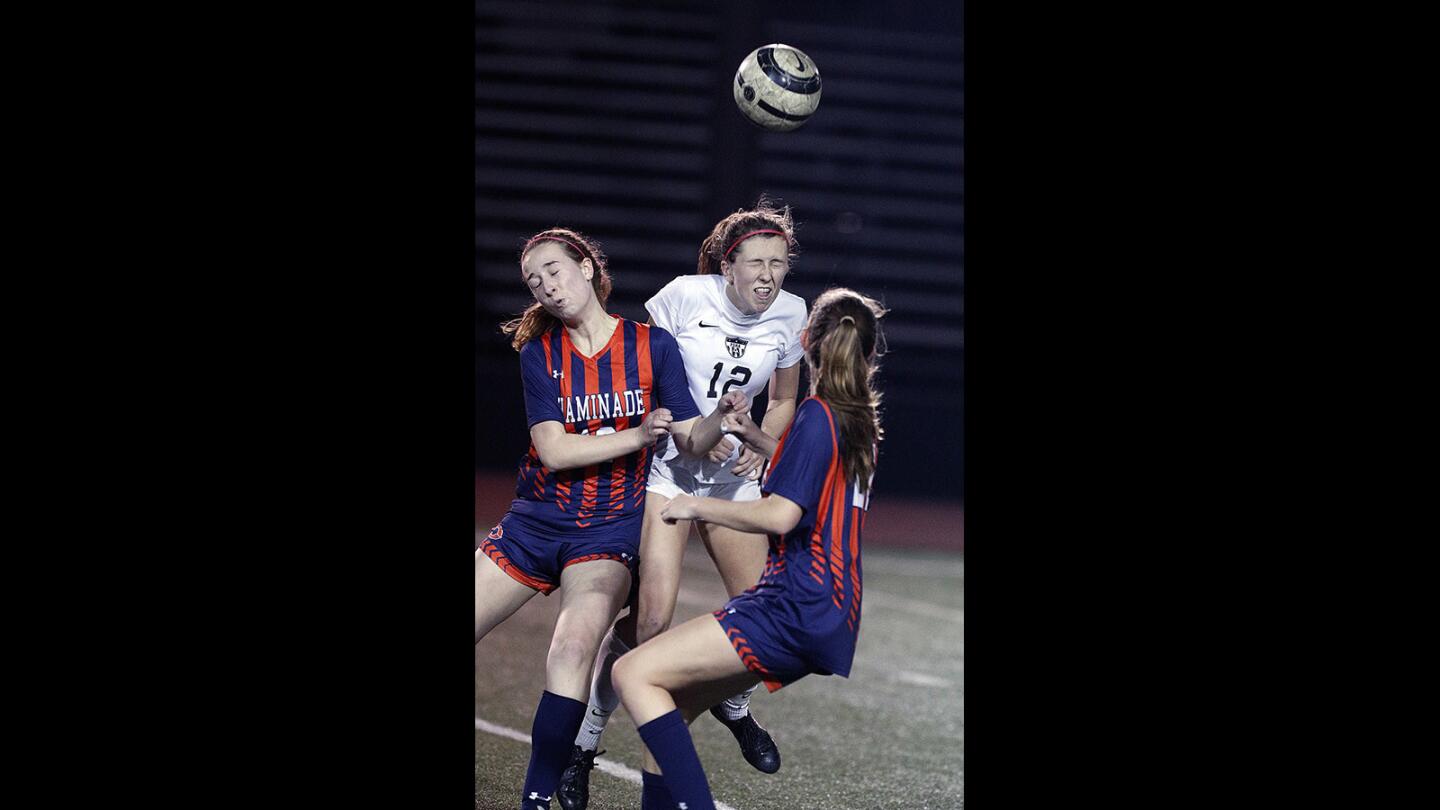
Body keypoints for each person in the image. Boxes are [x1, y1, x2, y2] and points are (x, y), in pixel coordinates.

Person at [474, 228, 744, 810]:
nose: (547, 286)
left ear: (590, 268)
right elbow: (554, 451)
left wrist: (720, 419)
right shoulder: (540, 355)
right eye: (534, 281)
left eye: (555, 270)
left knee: (572, 648)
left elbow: (689, 437)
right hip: (532, 526)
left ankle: (538, 798)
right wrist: (636, 434)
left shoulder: (653, 346)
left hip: (606, 536)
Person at [556, 201, 808, 810]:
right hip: (669, 474)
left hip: (730, 483)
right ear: (729, 265)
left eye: (779, 263)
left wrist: (760, 449)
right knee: (650, 621)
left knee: (770, 623)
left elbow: (783, 397)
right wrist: (675, 425)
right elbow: (639, 375)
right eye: (756, 263)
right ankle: (584, 748)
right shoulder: (682, 298)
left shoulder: (792, 312)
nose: (769, 275)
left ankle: (733, 701)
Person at [611, 287, 887, 810]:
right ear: (870, 353)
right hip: (832, 609)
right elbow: (808, 468)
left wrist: (697, 507)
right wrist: (755, 436)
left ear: (805, 341)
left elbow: (781, 513)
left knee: (633, 672)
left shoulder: (816, 413)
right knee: (674, 706)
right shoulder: (858, 422)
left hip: (793, 603)